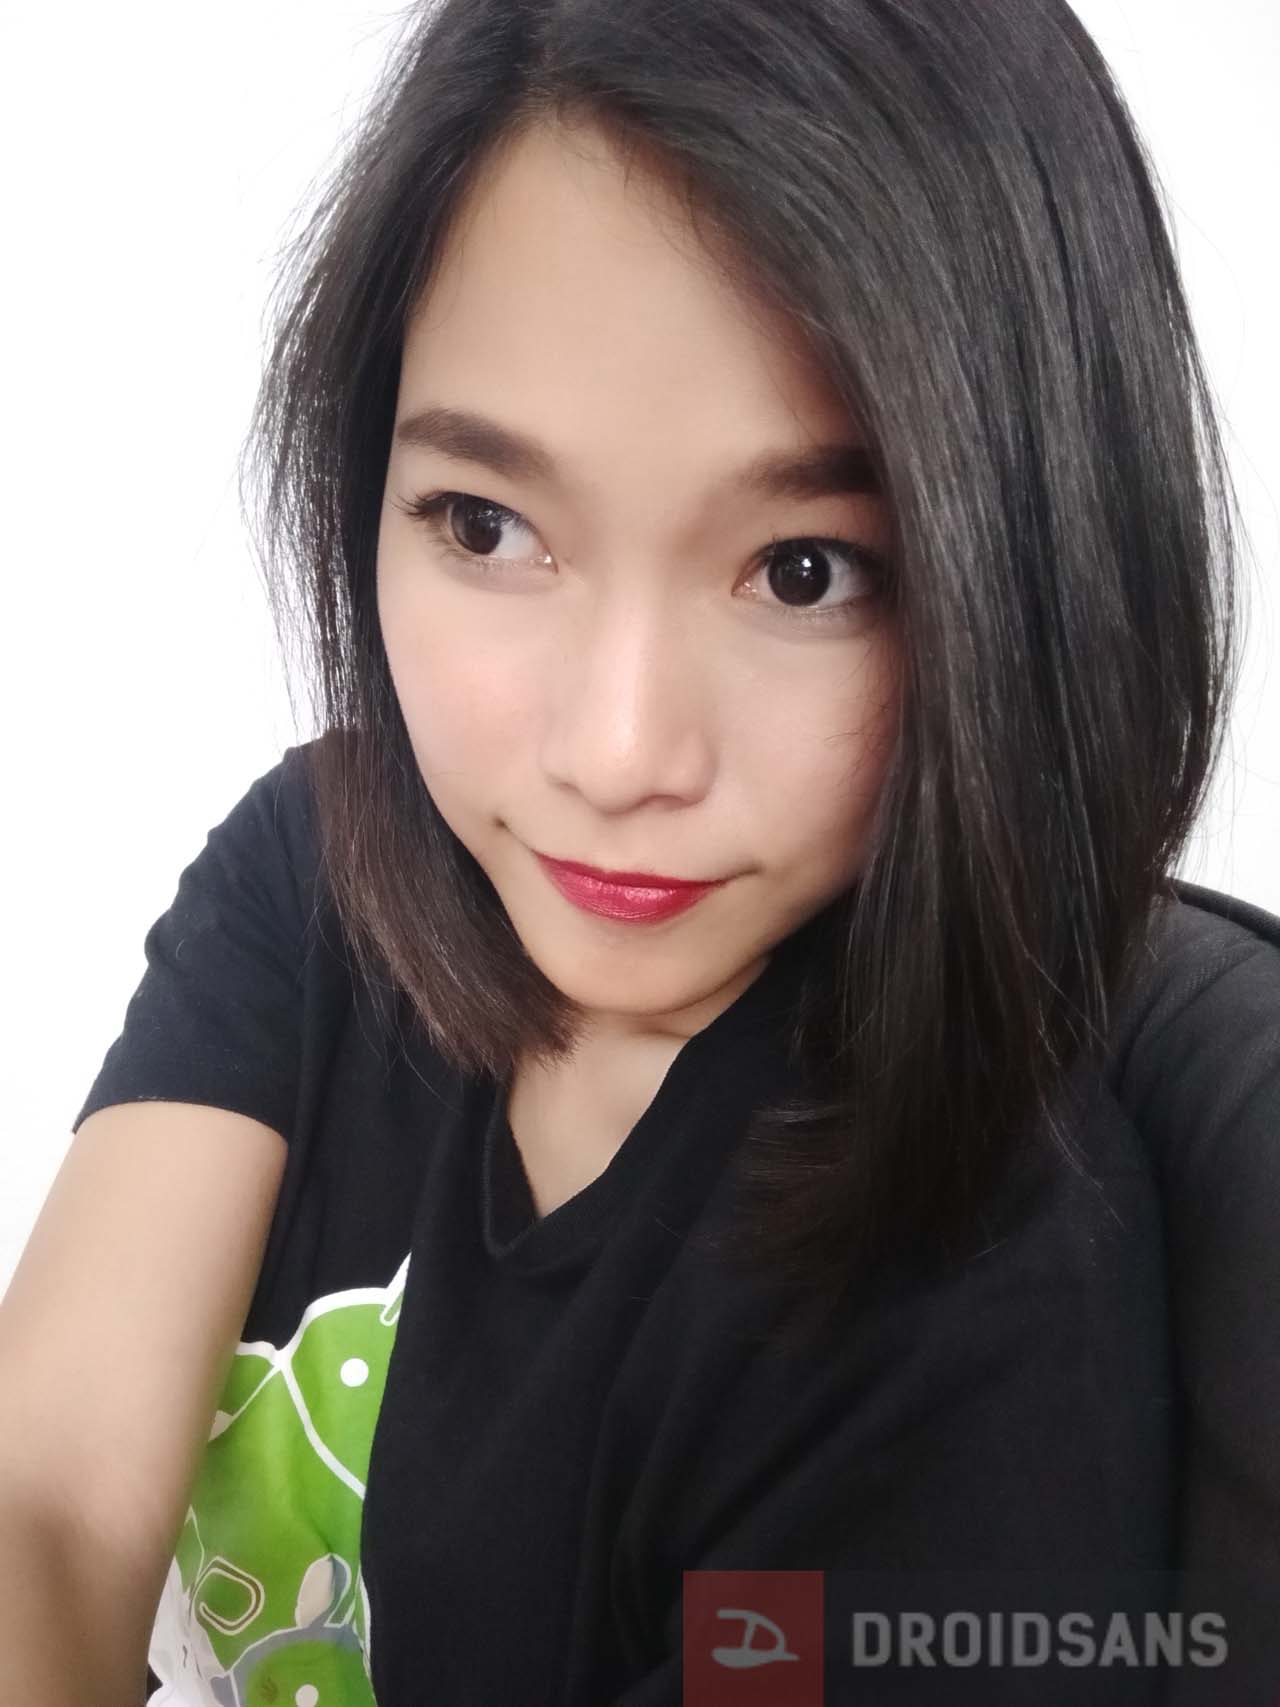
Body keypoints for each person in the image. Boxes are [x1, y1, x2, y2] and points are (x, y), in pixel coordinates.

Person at [1, 0, 1276, 1702]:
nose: (614, 754)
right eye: (487, 525)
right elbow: (52, 1500)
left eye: (806, 570)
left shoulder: (980, 1294)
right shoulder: (321, 869)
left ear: (1035, 572)